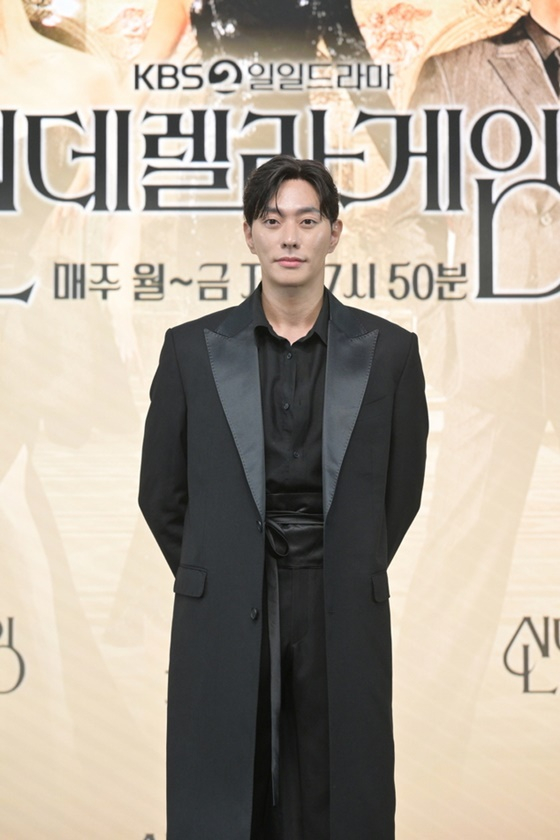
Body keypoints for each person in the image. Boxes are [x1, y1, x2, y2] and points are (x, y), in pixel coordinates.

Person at [139, 154, 428, 840]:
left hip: (339, 597)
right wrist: (224, 564)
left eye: (306, 220)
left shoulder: (389, 353)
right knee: (227, 791)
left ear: (334, 233)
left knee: (341, 788)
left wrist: (345, 559)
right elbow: (161, 493)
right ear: (249, 235)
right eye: (272, 221)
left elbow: (400, 493)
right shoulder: (191, 351)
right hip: (230, 598)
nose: (290, 237)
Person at [388, 0, 560, 834]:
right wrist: (444, 334)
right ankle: (410, 789)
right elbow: (408, 216)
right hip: (500, 349)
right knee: (457, 567)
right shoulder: (457, 63)